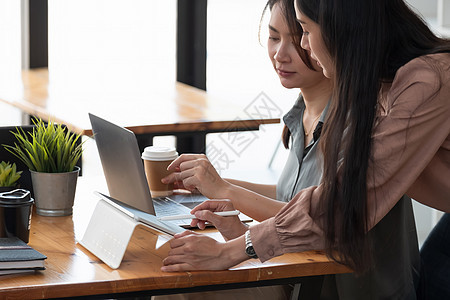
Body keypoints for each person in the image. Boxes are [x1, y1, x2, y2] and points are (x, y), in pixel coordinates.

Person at [162, 0, 450, 298]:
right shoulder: (377, 90)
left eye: (306, 30)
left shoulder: (427, 81)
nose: (303, 44)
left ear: (341, 29)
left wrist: (232, 249)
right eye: (274, 37)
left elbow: (343, 205)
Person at [154, 0, 330, 299]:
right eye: (274, 38)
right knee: (165, 264)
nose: (280, 54)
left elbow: (319, 220)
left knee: (177, 284)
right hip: (288, 267)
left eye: (298, 38)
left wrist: (226, 190)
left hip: (319, 282)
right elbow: (291, 195)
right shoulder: (301, 113)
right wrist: (211, 186)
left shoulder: (355, 122)